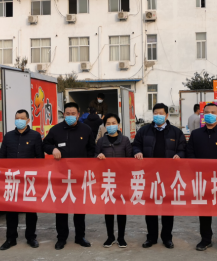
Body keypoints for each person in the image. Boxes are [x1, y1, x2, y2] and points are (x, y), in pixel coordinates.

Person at [132, 103, 186, 249]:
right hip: (149, 175)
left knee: (167, 208)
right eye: (155, 113)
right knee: (151, 208)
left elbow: (183, 149)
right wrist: (137, 151)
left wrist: (179, 155)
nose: (158, 116)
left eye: (161, 113)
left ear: (167, 115)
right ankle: (151, 237)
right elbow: (135, 145)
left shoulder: (176, 132)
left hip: (169, 176)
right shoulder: (144, 131)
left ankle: (167, 237)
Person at [43, 102, 96, 250]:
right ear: (64, 115)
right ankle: (61, 238)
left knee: (79, 208)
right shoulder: (55, 130)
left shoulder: (86, 130)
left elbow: (92, 150)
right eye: (68, 114)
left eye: (73, 114)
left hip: (79, 176)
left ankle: (80, 237)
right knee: (61, 209)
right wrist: (52, 149)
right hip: (61, 176)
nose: (70, 116)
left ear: (78, 115)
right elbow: (45, 144)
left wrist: (88, 168)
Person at [186, 103, 217, 253]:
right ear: (203, 115)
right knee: (204, 210)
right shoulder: (195, 134)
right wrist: (199, 169)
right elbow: (190, 153)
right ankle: (205, 239)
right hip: (202, 179)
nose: (210, 114)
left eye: (213, 112)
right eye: (207, 112)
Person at [0, 109, 44, 251]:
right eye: (17, 118)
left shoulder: (35, 136)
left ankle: (31, 237)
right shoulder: (8, 136)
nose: (19, 120)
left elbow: (40, 158)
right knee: (11, 211)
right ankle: (11, 238)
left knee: (31, 210)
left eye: (22, 118)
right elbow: (2, 157)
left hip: (29, 179)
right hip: (12, 178)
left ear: (28, 120)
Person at [95, 113, 132, 248]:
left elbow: (130, 159)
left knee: (121, 209)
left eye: (113, 123)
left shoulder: (125, 140)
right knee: (109, 209)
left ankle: (121, 237)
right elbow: (94, 156)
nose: (111, 125)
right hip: (107, 179)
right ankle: (110, 236)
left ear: (118, 125)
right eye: (108, 124)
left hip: (122, 180)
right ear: (105, 126)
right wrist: (98, 155)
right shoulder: (101, 141)